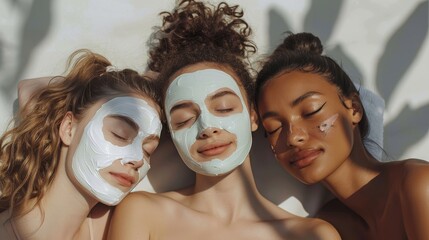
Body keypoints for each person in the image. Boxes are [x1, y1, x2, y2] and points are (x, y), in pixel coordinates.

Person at [107, 1, 340, 239]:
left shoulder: (312, 234)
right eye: (183, 119)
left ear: (252, 116)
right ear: (171, 135)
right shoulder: (143, 213)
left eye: (224, 108)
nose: (207, 128)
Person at [255, 32, 429, 239]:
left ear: (354, 108)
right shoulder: (328, 226)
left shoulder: (418, 185)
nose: (293, 137)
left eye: (310, 111)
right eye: (274, 128)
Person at [0, 49, 163, 240]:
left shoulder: (118, 224)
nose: (137, 159)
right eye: (120, 134)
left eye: (147, 150)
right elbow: (28, 88)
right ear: (69, 128)